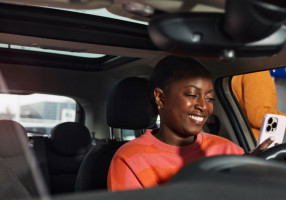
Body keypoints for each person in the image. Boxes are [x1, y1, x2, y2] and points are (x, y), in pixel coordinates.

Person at [107, 56, 273, 191]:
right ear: (160, 98)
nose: (203, 106)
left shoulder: (227, 149)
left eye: (209, 98)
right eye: (192, 95)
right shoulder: (130, 159)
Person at [231, 70, 286, 141]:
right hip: (254, 148)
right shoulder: (257, 72)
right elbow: (261, 117)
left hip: (240, 142)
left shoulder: (237, 69)